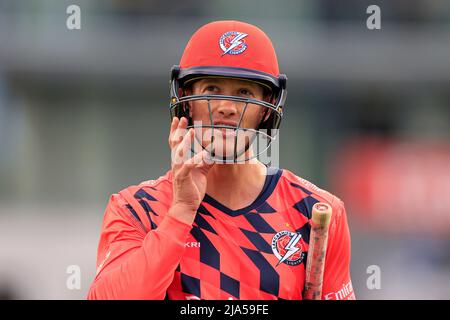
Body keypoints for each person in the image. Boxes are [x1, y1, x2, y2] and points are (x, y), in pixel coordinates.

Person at [87, 20, 355, 300]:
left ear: (267, 108)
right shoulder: (136, 209)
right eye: (212, 89)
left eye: (244, 93)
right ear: (187, 99)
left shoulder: (316, 211)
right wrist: (181, 211)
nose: (227, 108)